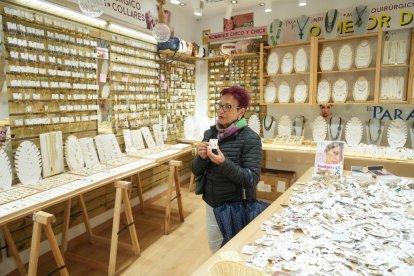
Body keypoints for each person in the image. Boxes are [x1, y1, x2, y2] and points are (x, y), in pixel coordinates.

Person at [192, 86, 262, 253]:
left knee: (236, 251)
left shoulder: (251, 139)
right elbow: (195, 170)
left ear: (241, 112)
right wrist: (201, 158)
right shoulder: (210, 134)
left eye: (228, 107)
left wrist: (223, 163)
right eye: (220, 105)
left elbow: (251, 178)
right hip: (212, 204)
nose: (221, 111)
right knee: (215, 248)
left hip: (237, 207)